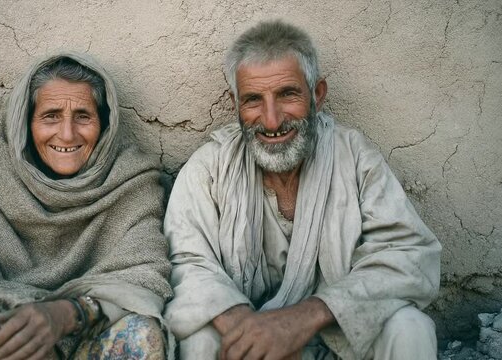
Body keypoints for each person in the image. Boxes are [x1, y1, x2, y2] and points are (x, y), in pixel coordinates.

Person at [164, 20, 441, 360]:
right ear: (235, 105)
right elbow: (186, 263)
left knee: (410, 326)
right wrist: (255, 333)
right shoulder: (210, 168)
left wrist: (299, 321)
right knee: (201, 338)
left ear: (317, 94)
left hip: (339, 341)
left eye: (287, 94)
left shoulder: (354, 158)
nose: (271, 120)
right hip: (249, 346)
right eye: (253, 100)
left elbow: (408, 254)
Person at [0, 52, 173, 360]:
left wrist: (64, 315)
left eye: (83, 116)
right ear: (25, 122)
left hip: (86, 330)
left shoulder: (133, 181)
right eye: (50, 116)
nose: (67, 134)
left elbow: (143, 276)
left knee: (142, 336)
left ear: (105, 124)